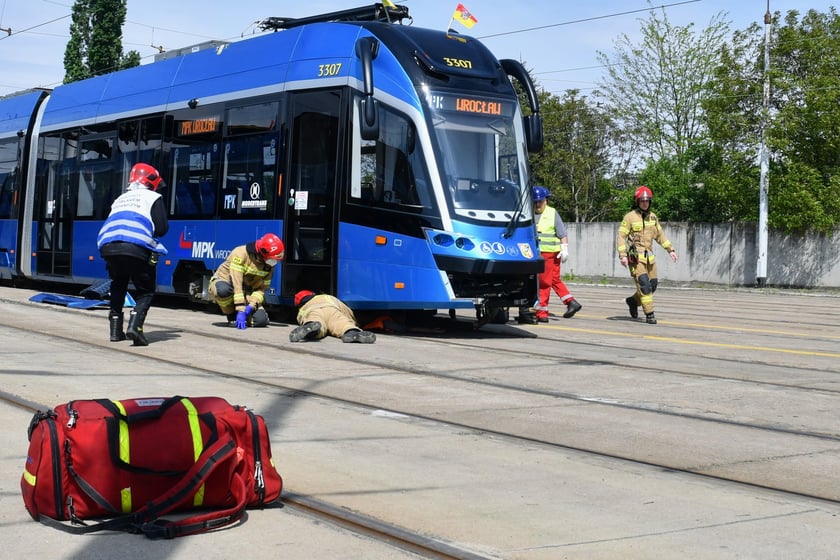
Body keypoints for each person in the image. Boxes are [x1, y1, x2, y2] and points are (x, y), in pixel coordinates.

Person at [97, 163, 168, 346]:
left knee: (118, 283)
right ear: (151, 182)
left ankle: (115, 331)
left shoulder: (120, 198)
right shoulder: (153, 197)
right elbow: (161, 227)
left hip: (108, 245)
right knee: (146, 290)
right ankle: (135, 327)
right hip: (135, 247)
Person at [616, 185, 679, 324]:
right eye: (642, 200)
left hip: (649, 258)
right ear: (637, 201)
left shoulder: (653, 217)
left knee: (653, 285)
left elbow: (660, 235)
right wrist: (622, 255)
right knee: (644, 285)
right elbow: (621, 236)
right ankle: (650, 314)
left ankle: (633, 301)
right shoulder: (630, 217)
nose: (645, 203)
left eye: (647, 200)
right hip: (636, 258)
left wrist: (671, 250)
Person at [529, 185, 582, 323]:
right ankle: (571, 302)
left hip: (549, 254)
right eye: (535, 201)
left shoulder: (552, 213)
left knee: (544, 282)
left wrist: (564, 248)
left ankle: (542, 312)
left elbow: (562, 233)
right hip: (539, 253)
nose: (538, 204)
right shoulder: (529, 213)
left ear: (546, 200)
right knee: (553, 279)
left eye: (540, 201)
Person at [209, 233, 284, 329]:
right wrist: (240, 309)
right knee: (223, 291)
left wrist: (250, 307)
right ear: (262, 253)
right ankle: (231, 313)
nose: (274, 262)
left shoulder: (269, 265)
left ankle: (243, 315)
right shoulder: (240, 253)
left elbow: (262, 289)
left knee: (260, 321)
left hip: (246, 292)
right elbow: (237, 283)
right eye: (272, 258)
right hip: (227, 282)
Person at [289, 290, 376, 343]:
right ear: (312, 295)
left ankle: (312, 329)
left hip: (313, 311)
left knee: (316, 321)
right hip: (332, 309)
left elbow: (300, 318)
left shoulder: (303, 308)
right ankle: (351, 332)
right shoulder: (327, 297)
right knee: (342, 324)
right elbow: (345, 309)